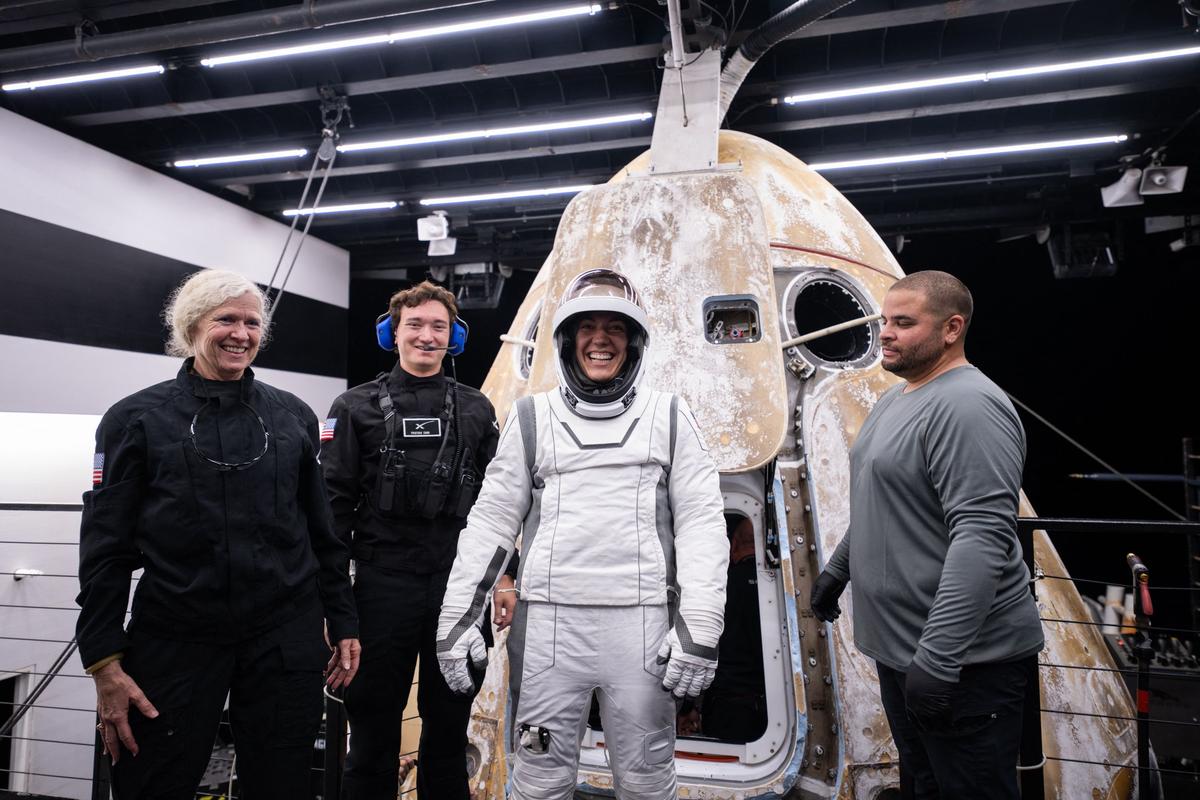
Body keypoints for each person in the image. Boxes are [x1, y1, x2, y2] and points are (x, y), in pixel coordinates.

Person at [436, 268, 729, 800]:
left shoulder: (669, 414)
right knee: (538, 779)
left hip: (642, 629)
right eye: (586, 327)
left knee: (645, 780)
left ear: (634, 340)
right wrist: (458, 619)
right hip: (549, 626)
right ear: (567, 341)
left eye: (614, 327)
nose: (600, 339)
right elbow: (492, 521)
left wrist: (701, 627)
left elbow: (703, 522)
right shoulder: (531, 417)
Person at [76, 269, 360, 799]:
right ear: (191, 327)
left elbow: (322, 531)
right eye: (225, 319)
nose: (241, 333)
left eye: (252, 322)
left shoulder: (293, 415)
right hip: (176, 635)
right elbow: (105, 548)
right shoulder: (135, 419)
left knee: (282, 786)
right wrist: (104, 662)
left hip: (283, 635)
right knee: (150, 782)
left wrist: (343, 618)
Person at [810, 270, 1044, 800]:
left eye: (904, 323)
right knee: (924, 786)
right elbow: (882, 503)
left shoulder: (968, 407)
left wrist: (939, 660)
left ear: (951, 329)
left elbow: (981, 538)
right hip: (903, 655)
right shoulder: (898, 400)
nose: (886, 333)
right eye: (885, 320)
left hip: (964, 665)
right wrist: (838, 572)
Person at [320, 281, 498, 799]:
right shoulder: (352, 408)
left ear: (454, 336)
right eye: (415, 325)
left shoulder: (478, 409)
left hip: (458, 592)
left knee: (448, 737)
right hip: (380, 591)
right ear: (392, 333)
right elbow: (332, 511)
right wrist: (334, 608)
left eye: (438, 326)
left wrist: (503, 579)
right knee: (372, 739)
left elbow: (499, 505)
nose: (426, 335)